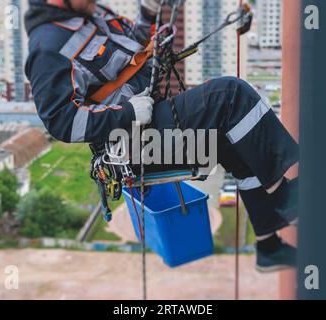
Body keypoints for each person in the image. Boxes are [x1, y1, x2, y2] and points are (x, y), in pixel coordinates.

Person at [25, 0, 299, 272]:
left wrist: (149, 12)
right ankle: (286, 198)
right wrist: (128, 114)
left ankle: (268, 246)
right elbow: (62, 121)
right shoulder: (47, 46)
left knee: (235, 144)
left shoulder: (90, 12)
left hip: (150, 124)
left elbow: (136, 47)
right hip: (132, 146)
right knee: (229, 95)